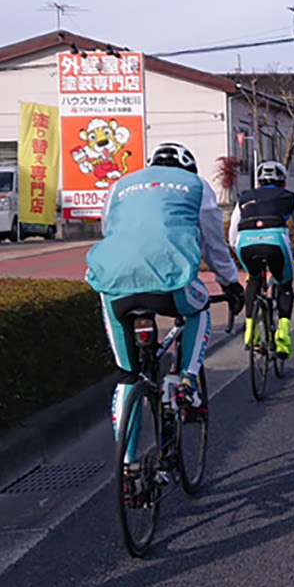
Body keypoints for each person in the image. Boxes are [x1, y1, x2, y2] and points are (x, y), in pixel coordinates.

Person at [86, 141, 243, 422]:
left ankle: (127, 463)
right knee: (199, 307)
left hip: (113, 283)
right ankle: (187, 381)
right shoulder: (197, 185)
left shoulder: (121, 185)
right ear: (189, 167)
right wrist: (229, 283)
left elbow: (108, 228)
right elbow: (213, 244)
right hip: (170, 284)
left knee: (128, 376)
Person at [227, 160, 294, 358]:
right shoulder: (290, 197)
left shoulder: (244, 198)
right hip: (276, 242)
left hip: (246, 244)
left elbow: (233, 235)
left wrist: (239, 252)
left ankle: (250, 331)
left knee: (254, 279)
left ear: (258, 183)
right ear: (283, 182)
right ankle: (282, 335)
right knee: (284, 285)